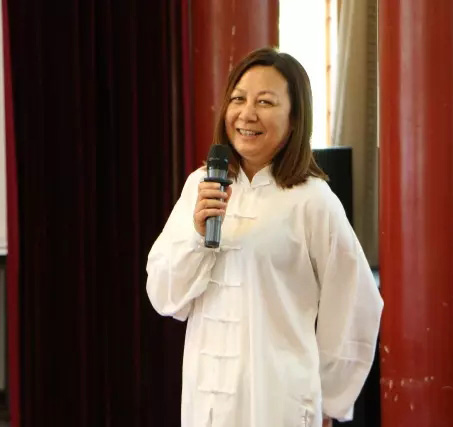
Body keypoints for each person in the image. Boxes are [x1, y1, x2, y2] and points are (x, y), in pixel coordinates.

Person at [146, 47, 383, 427]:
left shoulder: (312, 200)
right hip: (207, 401)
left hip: (279, 402)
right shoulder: (200, 185)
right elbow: (164, 296)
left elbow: (354, 303)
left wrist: (328, 399)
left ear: (294, 118)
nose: (247, 113)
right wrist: (196, 235)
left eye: (265, 102)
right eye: (238, 99)